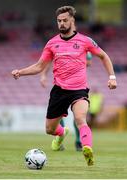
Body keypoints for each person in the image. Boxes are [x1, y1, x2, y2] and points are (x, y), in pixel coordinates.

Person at [11, 6, 117, 166]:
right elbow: (40, 66)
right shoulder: (52, 43)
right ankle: (61, 133)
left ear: (72, 21)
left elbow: (103, 55)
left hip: (79, 90)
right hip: (59, 91)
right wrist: (21, 72)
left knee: (81, 119)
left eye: (65, 20)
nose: (61, 23)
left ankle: (87, 148)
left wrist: (112, 77)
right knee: (50, 130)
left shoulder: (85, 41)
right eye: (59, 21)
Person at [40, 52, 92, 151]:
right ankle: (59, 140)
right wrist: (43, 75)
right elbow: (49, 61)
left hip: (77, 88)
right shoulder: (59, 48)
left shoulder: (83, 46)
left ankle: (79, 142)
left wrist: (76, 63)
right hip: (61, 88)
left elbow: (89, 62)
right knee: (57, 118)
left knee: (78, 118)